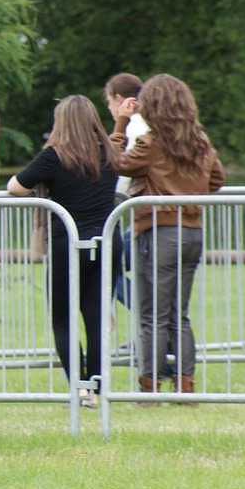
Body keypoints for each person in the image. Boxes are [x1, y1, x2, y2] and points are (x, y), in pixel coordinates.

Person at [110, 75, 224, 403]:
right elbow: (217, 178)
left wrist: (121, 124)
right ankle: (184, 386)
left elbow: (116, 163)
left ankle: (150, 389)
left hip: (158, 232)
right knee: (179, 314)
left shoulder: (151, 140)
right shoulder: (198, 138)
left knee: (151, 316)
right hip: (192, 232)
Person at [8, 95, 122, 408]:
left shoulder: (54, 156)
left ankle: (80, 390)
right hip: (107, 242)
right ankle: (97, 389)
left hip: (67, 245)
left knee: (64, 319)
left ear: (62, 122)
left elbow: (15, 187)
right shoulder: (111, 152)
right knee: (98, 317)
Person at [104, 72, 149, 312]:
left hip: (147, 215)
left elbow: (119, 169)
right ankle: (150, 331)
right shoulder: (153, 123)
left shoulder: (133, 127)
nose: (110, 108)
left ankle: (149, 323)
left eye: (110, 102)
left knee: (109, 268)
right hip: (164, 215)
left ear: (119, 99)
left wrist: (106, 196)